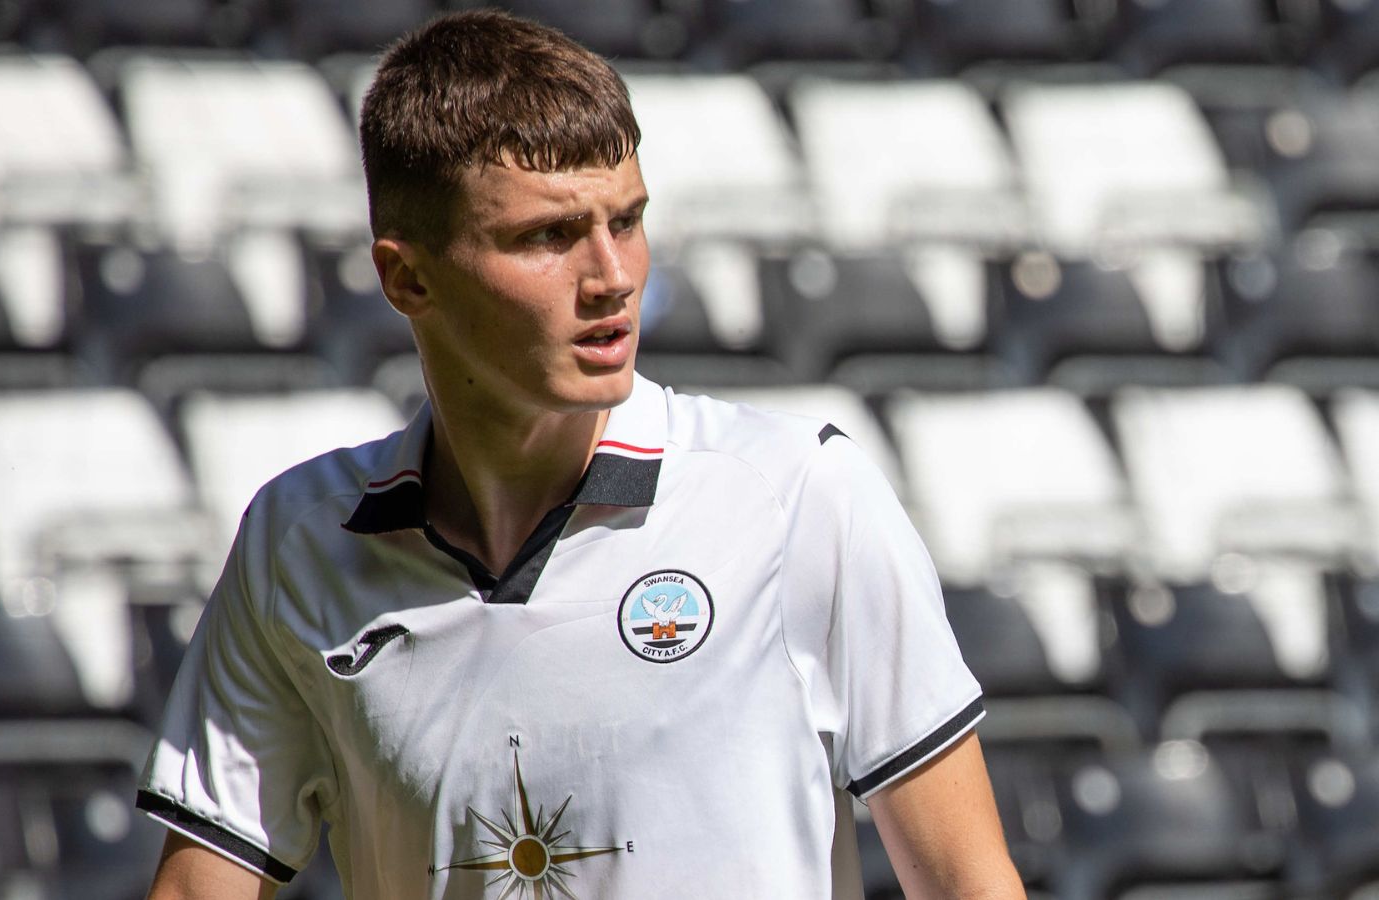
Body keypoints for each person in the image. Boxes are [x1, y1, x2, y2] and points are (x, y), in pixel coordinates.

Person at [139, 10, 1024, 899]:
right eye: (548, 236)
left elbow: (969, 884)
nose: (613, 276)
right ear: (407, 278)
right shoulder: (298, 544)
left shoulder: (798, 496)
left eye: (628, 221)